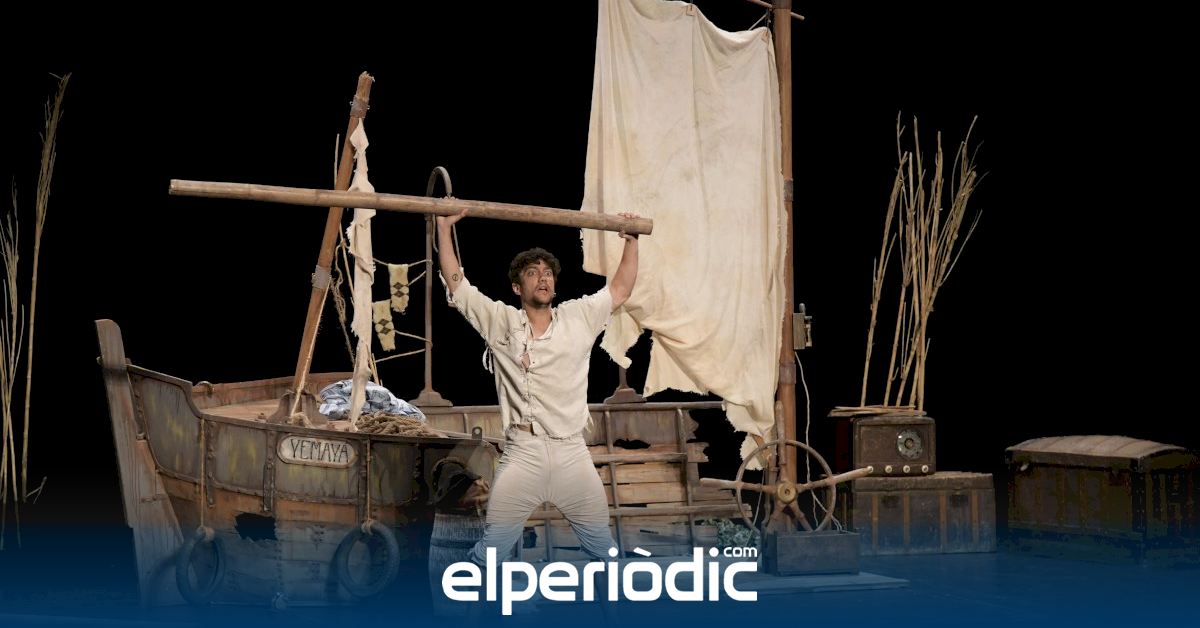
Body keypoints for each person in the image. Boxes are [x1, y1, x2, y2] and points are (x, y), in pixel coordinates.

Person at [436, 208, 639, 565]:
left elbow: (620, 289)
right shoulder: (501, 321)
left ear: (554, 285)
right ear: (518, 287)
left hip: (571, 453)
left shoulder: (579, 317)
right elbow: (458, 285)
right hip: (523, 453)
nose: (542, 278)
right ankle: (465, 598)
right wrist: (442, 227)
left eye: (547, 273)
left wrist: (632, 241)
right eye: (532, 273)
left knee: (604, 552)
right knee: (491, 552)